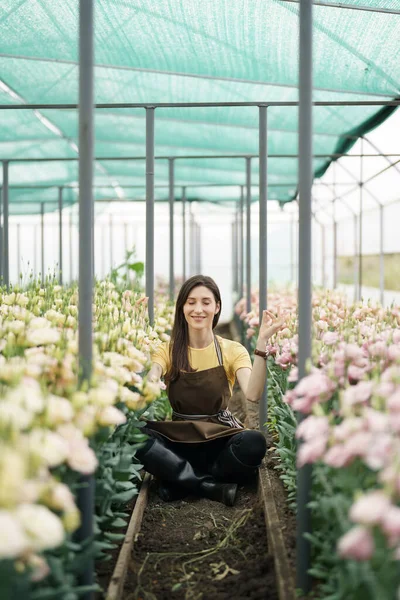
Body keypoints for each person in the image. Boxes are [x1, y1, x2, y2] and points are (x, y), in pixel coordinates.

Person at [136, 275, 286, 506]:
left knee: (254, 443)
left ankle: (179, 479)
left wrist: (262, 343)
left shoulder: (232, 350)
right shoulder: (166, 350)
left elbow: (253, 394)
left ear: (217, 307)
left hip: (218, 437)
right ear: (182, 308)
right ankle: (206, 485)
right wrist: (138, 343)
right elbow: (150, 381)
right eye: (191, 302)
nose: (198, 309)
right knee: (135, 435)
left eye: (206, 302)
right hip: (180, 438)